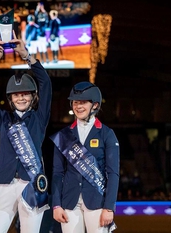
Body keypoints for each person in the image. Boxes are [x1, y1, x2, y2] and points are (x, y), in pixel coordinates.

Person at [0, 33, 52, 233]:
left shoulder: (39, 118)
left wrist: (27, 56)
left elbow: (46, 83)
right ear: (11, 98)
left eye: (25, 94)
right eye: (16, 94)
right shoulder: (3, 119)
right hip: (4, 184)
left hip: (32, 183)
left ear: (32, 97)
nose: (21, 98)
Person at [50, 81, 119, 233]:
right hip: (69, 202)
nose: (78, 106)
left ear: (95, 105)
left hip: (97, 201)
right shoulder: (64, 136)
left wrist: (109, 207)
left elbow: (113, 174)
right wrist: (56, 204)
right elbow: (57, 173)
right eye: (75, 102)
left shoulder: (107, 134)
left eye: (83, 102)